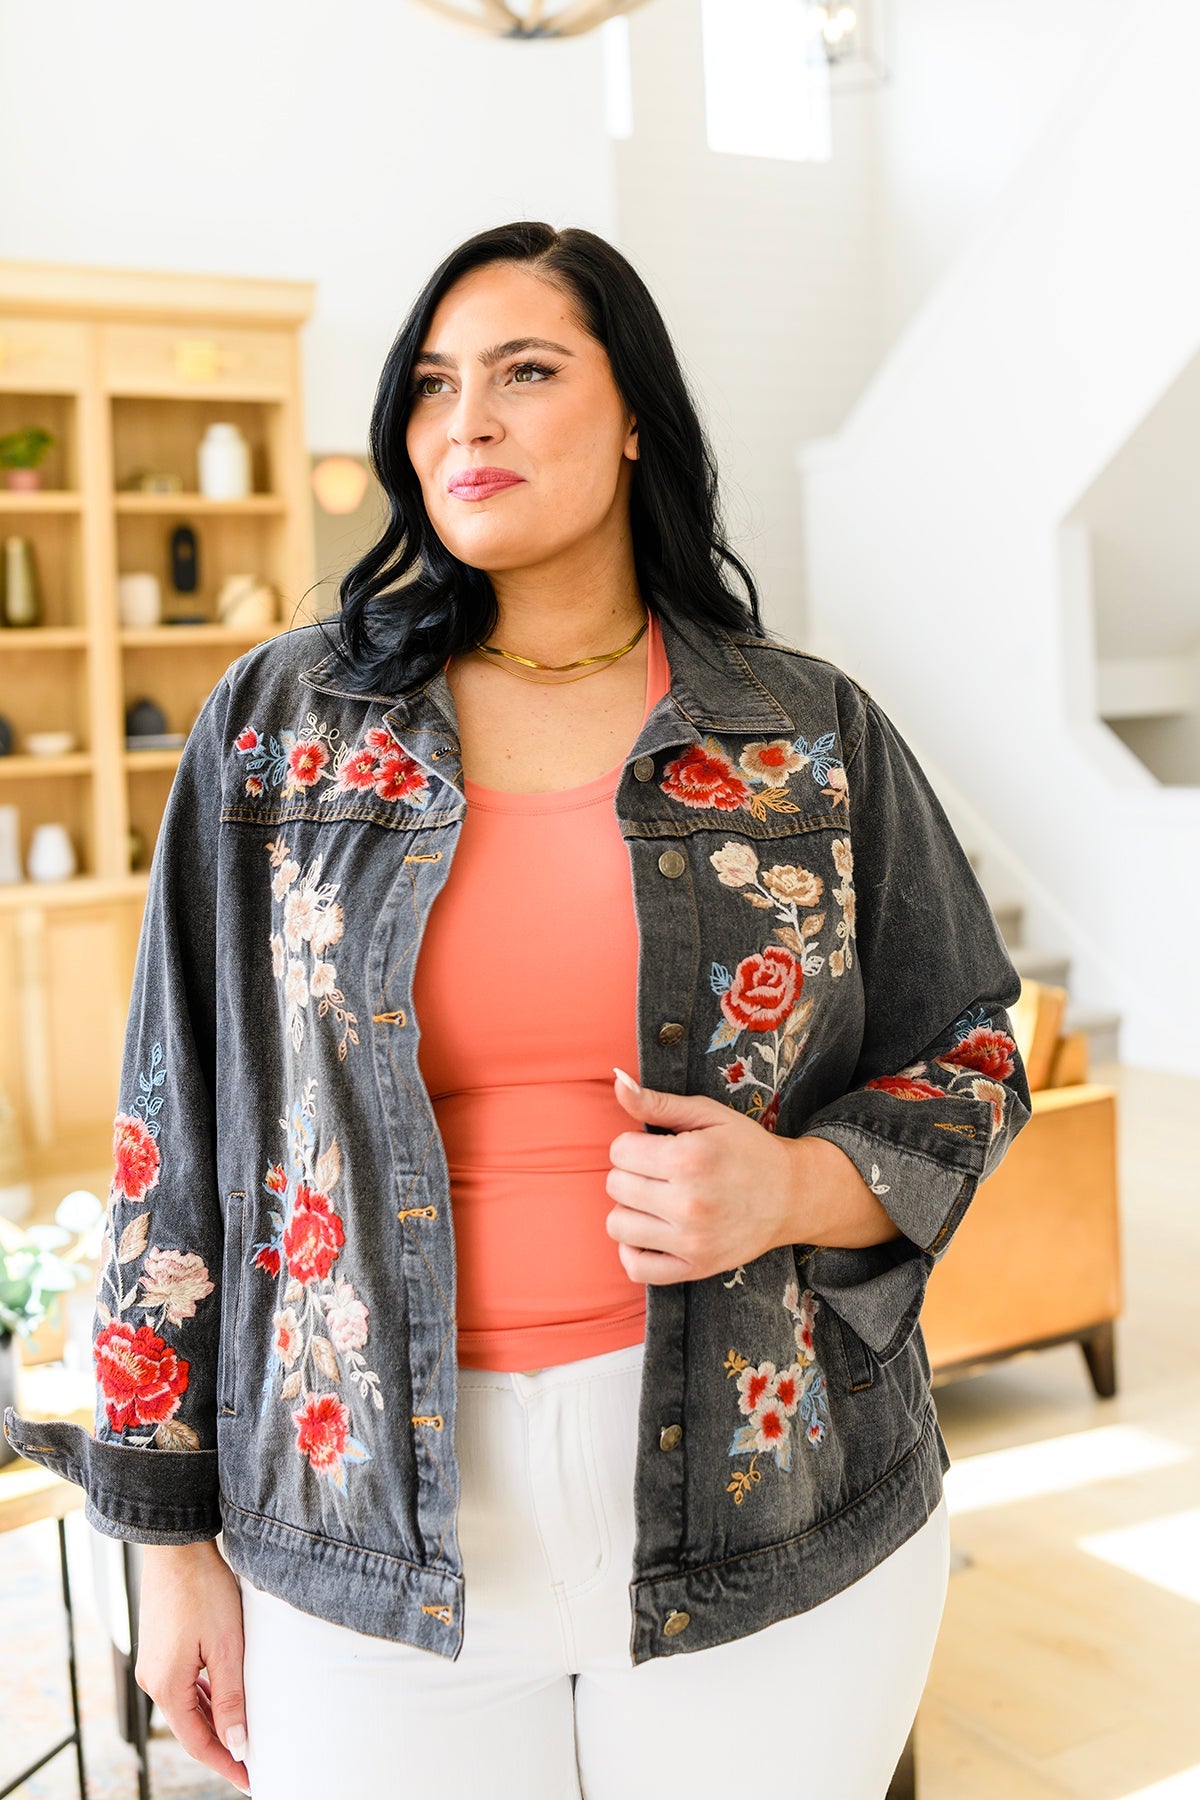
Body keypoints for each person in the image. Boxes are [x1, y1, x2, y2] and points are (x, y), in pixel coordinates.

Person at [4, 221, 1031, 1798]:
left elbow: (968, 1056)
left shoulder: (807, 734)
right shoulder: (282, 732)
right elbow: (171, 1136)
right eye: (431, 385)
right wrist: (165, 1536)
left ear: (635, 419)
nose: (465, 422)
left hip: (770, 1507)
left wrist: (794, 1186)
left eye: (526, 372)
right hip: (356, 1530)